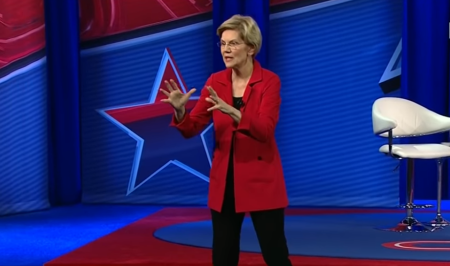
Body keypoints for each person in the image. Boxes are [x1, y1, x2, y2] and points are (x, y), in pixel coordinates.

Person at [160, 14, 292, 266]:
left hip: (261, 178)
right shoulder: (215, 81)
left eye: (233, 43)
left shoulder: (269, 81)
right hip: (225, 181)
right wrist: (179, 111)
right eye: (222, 43)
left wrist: (233, 111)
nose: (226, 49)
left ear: (251, 48)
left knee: (275, 253)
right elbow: (192, 128)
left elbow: (265, 130)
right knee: (223, 255)